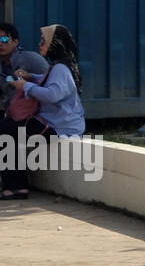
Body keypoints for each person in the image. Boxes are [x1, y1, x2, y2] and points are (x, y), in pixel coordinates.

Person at [1, 24, 84, 199]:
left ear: (56, 44)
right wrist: (32, 77)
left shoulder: (61, 69)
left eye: (44, 41)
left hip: (59, 127)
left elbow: (53, 94)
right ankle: (15, 185)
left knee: (8, 131)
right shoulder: (58, 67)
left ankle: (16, 187)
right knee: (9, 128)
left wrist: (25, 85)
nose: (40, 45)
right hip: (51, 121)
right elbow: (48, 81)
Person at [0, 22, 48, 112]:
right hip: (15, 115)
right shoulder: (2, 66)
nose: (0, 43)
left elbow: (52, 86)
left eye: (4, 39)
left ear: (15, 42)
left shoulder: (31, 59)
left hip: (40, 116)